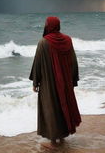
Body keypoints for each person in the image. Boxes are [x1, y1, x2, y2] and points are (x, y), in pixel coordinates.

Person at [29, 16, 81, 149]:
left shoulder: (43, 42)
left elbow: (38, 64)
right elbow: (73, 61)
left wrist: (35, 82)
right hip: (65, 81)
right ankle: (62, 138)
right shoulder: (68, 40)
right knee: (63, 105)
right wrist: (73, 79)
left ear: (48, 26)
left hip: (49, 83)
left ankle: (53, 143)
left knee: (51, 108)